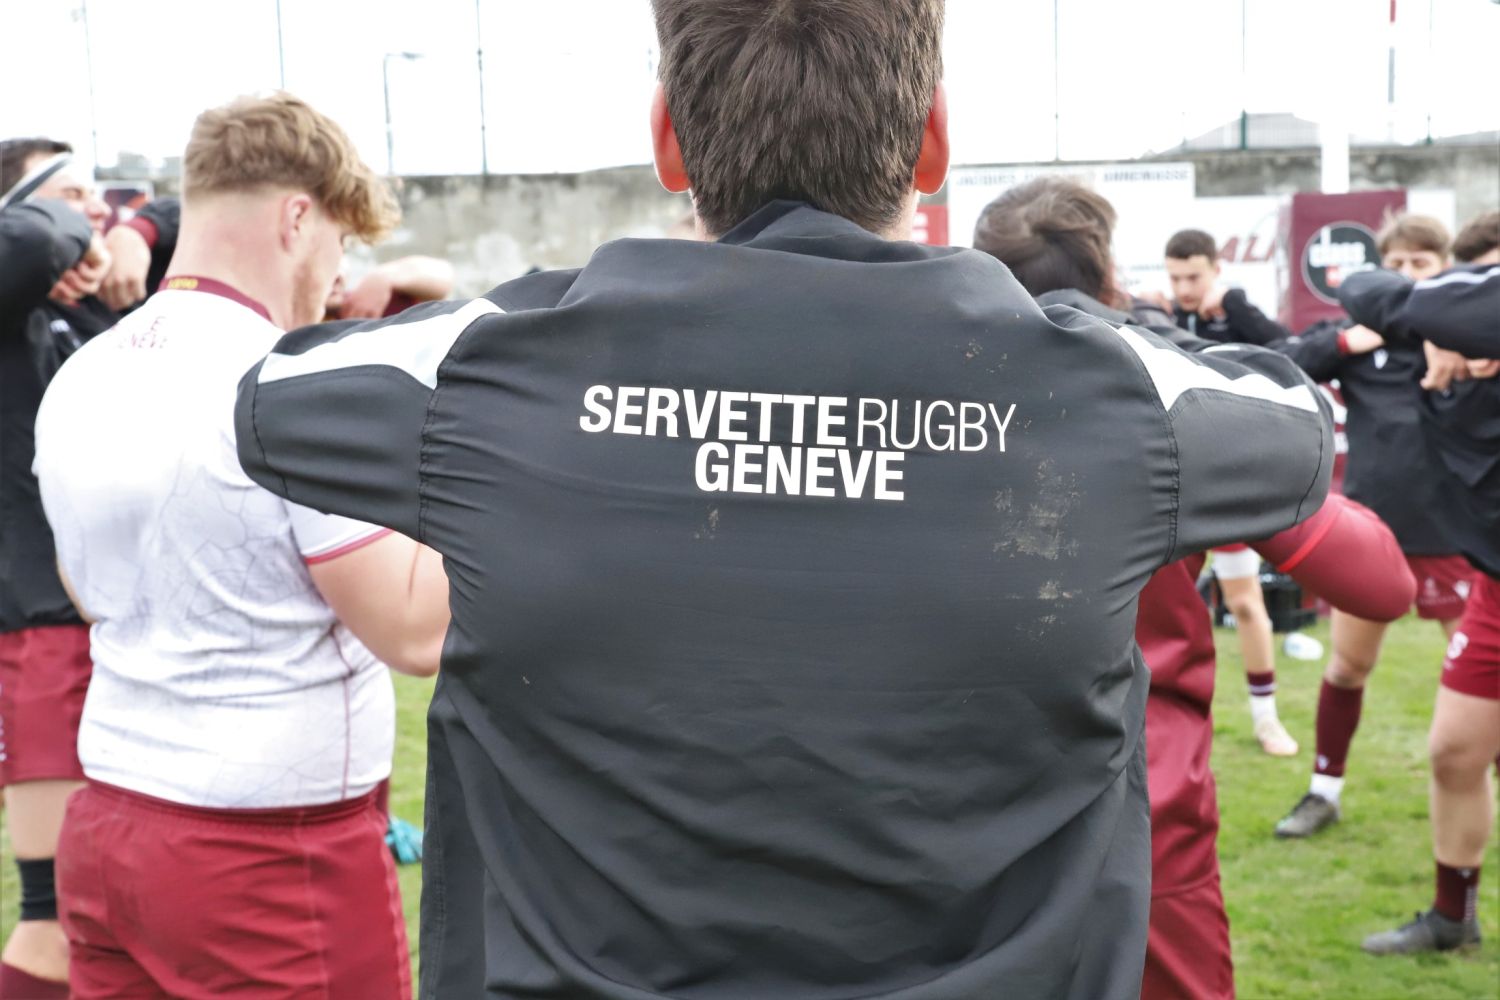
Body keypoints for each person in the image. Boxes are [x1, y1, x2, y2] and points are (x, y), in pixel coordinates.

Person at [235, 4, 1335, 997]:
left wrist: (541, 314)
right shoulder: (1098, 393)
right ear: (935, 140)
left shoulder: (499, 369)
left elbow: (271, 395)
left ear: (667, 140)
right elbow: (1297, 426)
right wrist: (1063, 336)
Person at [32, 93, 449, 999]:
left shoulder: (79, 374)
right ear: (298, 218)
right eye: (339, 241)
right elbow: (416, 631)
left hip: (110, 818)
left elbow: (87, 585)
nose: (336, 273)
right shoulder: (293, 380)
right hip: (269, 850)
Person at [972, 175, 1415, 1000]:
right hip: (1138, 820)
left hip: (966, 824)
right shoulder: (1165, 402)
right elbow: (1384, 581)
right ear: (1113, 278)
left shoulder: (916, 395)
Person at [1268, 212, 1478, 839]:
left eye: (1421, 263)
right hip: (1374, 532)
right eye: (1397, 264)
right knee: (1346, 669)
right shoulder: (1357, 335)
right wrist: (1342, 345)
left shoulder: (1465, 334)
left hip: (1453, 533)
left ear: (1445, 268)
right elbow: (1279, 364)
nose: (1408, 275)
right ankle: (1323, 792)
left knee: (1485, 680)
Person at [1340, 257, 1499, 955]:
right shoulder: (1474, 325)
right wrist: (1449, 346)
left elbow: (1391, 299)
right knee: (1455, 751)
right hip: (1495, 585)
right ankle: (1453, 919)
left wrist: (1449, 335)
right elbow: (1366, 289)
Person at [0, 137, 118, 1000]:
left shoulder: (74, 311)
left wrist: (134, 233)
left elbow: (188, 217)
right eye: (73, 194)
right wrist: (69, 227)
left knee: (109, 917)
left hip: (100, 631)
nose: (94, 211)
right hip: (35, 639)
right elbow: (34, 237)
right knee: (53, 926)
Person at [1161, 229, 1299, 755]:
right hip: (1176, 487)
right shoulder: (1160, 315)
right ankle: (1162, 721)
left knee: (1244, 603)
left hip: (1230, 484)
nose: (1184, 287)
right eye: (1175, 277)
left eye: (1193, 276)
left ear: (1216, 270)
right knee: (1162, 610)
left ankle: (1266, 719)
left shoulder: (1236, 312)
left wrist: (1236, 307)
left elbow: (1289, 353)